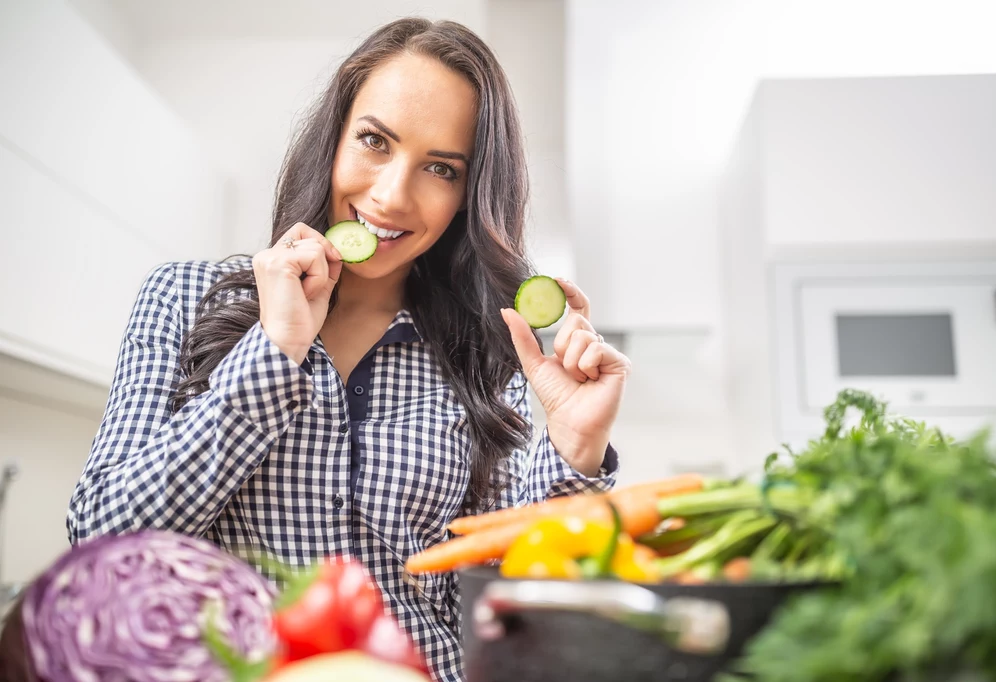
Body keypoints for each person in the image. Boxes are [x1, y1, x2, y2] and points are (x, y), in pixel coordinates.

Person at [66, 17, 630, 682]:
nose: (390, 196)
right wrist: (274, 352)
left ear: (467, 196)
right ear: (332, 139)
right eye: (374, 141)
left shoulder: (486, 349)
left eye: (440, 168)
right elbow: (104, 545)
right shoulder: (185, 299)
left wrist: (573, 450)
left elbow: (495, 598)